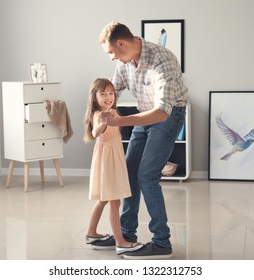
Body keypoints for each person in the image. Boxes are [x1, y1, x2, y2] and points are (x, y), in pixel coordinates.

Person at [97, 21, 190, 259]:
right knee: (128, 175)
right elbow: (111, 93)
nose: (111, 58)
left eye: (110, 53)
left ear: (121, 43)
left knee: (147, 176)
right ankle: (126, 236)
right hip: (144, 114)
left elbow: (162, 112)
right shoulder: (124, 64)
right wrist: (97, 115)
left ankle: (162, 243)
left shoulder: (162, 59)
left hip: (168, 116)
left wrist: (119, 122)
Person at [83, 78, 144, 256]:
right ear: (95, 98)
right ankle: (121, 242)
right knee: (114, 202)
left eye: (111, 93)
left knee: (104, 200)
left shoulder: (112, 112)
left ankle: (91, 233)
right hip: (107, 163)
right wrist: (105, 122)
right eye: (103, 94)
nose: (108, 97)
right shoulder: (99, 115)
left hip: (113, 160)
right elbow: (95, 132)